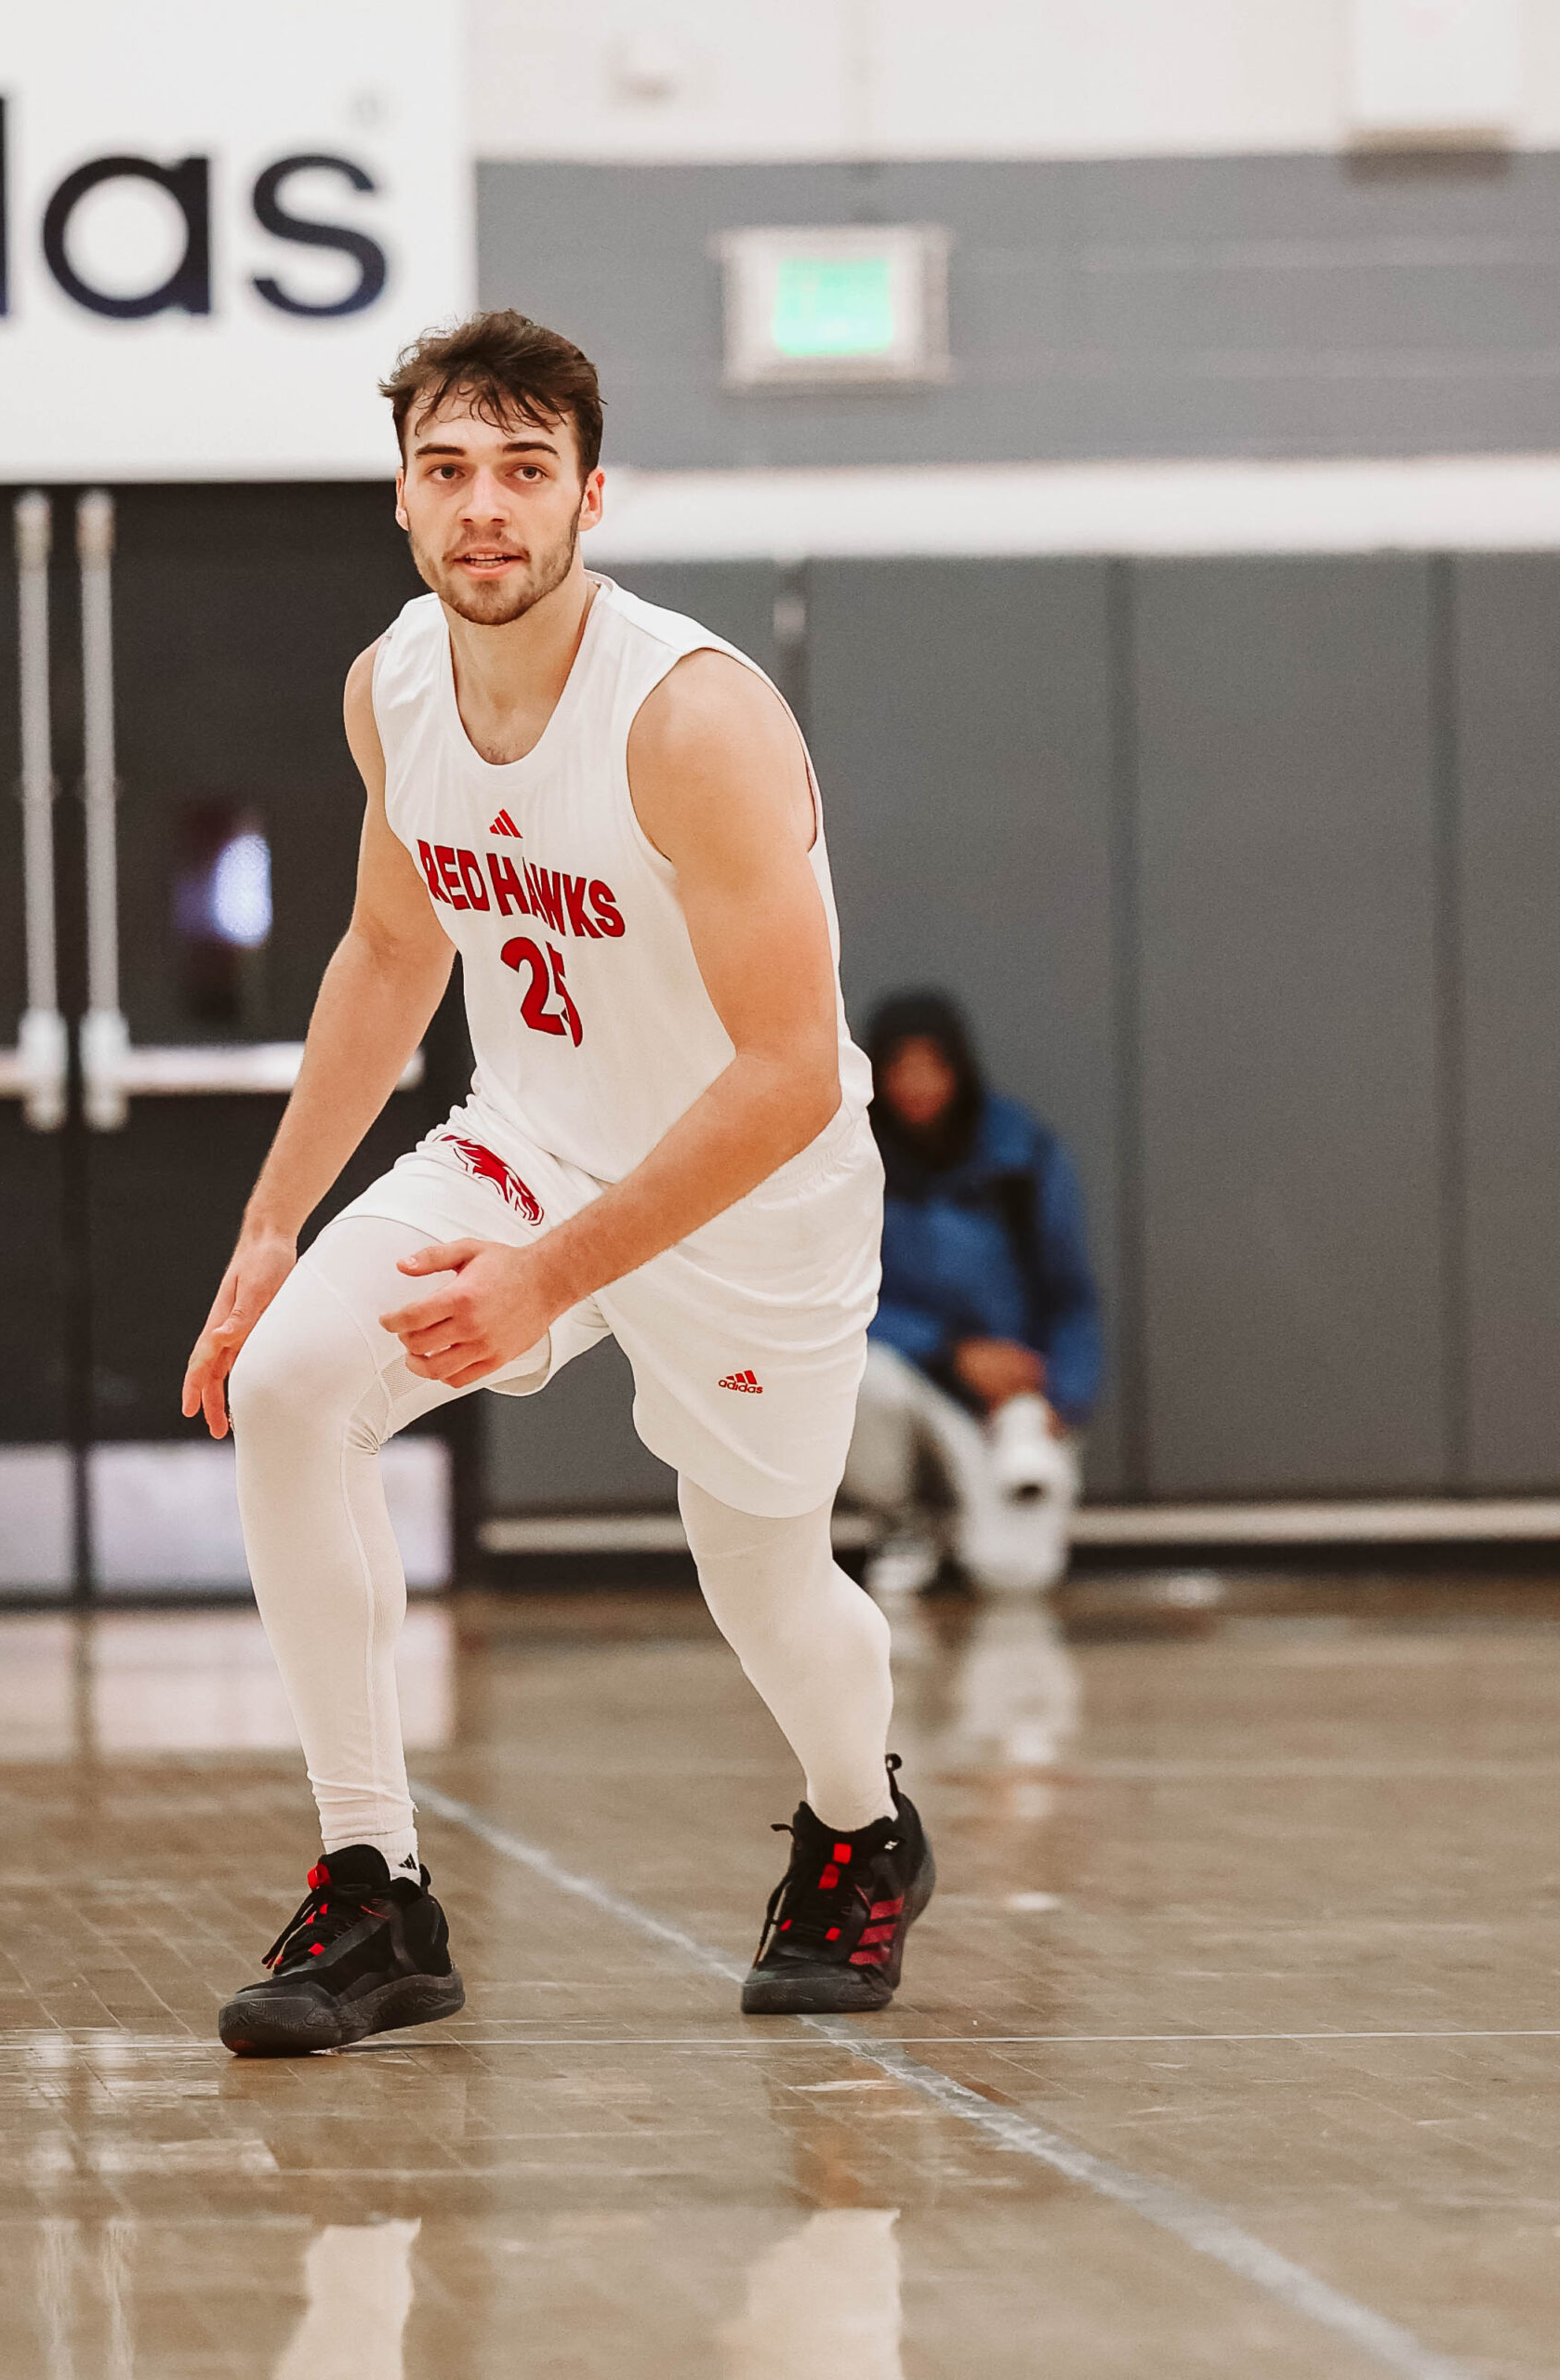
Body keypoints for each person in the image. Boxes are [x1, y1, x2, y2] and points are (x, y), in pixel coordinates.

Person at [180, 311, 933, 2056]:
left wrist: (554, 1277)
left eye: (524, 472)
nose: (484, 509)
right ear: (401, 499)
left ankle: (856, 1826)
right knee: (294, 1385)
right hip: (527, 1140)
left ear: (593, 495)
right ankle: (372, 1896)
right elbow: (386, 953)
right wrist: (271, 1224)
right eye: (447, 472)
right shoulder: (391, 688)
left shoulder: (691, 720)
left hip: (752, 1193)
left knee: (756, 1569)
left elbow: (786, 1073)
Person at [843, 990, 1101, 1599]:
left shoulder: (1022, 1156)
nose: (918, 1086)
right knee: (856, 1376)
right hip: (911, 1373)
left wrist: (1061, 1397)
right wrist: (949, 1351)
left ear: (960, 1068)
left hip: (1007, 1398)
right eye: (901, 1069)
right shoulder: (850, 1160)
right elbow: (837, 1298)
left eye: (933, 1067)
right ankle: (902, 1522)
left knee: (1015, 1574)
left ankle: (972, 1514)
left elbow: (1071, 1295)